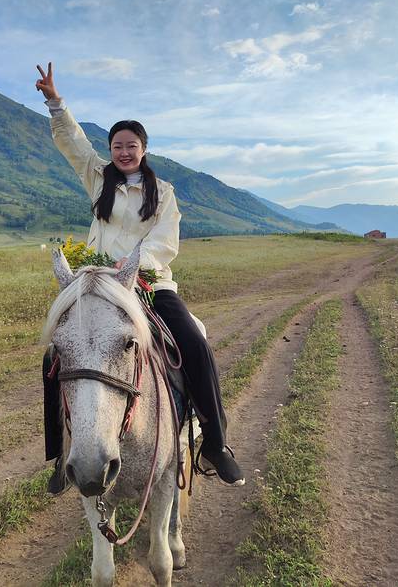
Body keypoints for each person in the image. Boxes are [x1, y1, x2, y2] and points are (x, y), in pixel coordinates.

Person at [36, 62, 245, 490]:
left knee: (194, 343)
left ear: (144, 149)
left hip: (149, 285)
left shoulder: (163, 193)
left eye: (131, 145)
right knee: (55, 356)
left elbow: (165, 241)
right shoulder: (99, 179)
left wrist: (131, 265)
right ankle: (59, 455)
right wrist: (55, 102)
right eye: (117, 145)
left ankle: (215, 443)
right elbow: (73, 143)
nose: (124, 152)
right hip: (99, 286)